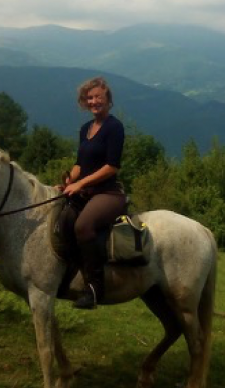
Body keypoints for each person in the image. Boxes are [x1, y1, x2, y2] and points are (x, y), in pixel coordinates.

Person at [61, 77, 126, 309]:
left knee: (83, 225)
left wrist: (81, 184)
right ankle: (70, 273)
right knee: (62, 218)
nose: (94, 101)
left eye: (99, 96)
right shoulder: (86, 129)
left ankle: (94, 289)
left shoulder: (114, 127)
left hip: (109, 194)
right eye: (90, 98)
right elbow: (80, 164)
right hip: (86, 192)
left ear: (108, 100)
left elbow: (112, 166)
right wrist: (70, 181)